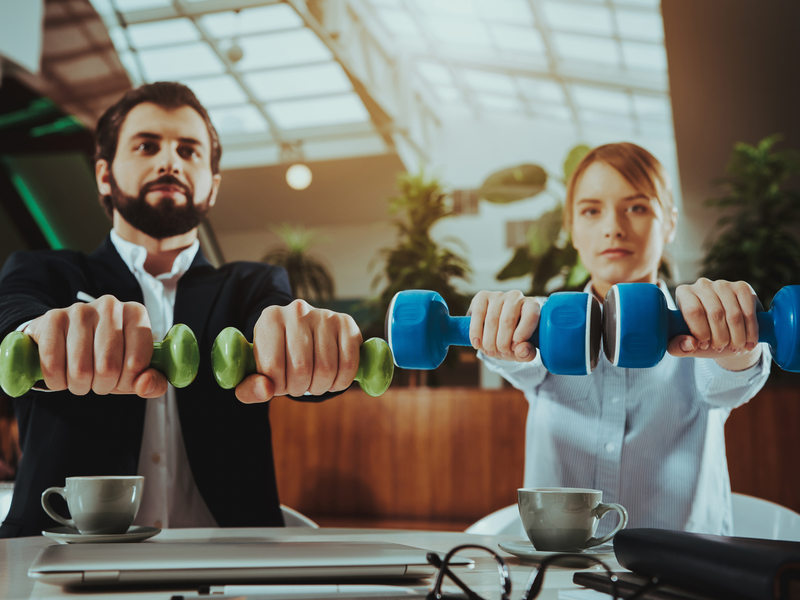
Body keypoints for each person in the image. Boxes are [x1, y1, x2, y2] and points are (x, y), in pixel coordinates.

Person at [0, 82, 362, 537]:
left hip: (230, 566)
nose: (170, 161)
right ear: (104, 175)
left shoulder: (253, 284)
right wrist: (39, 332)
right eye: (147, 146)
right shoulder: (44, 271)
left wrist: (308, 339)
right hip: (62, 557)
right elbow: (9, 316)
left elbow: (279, 326)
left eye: (189, 151)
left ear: (212, 187)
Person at [470, 143, 770, 535]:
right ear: (572, 230)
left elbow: (732, 380)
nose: (613, 226)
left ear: (670, 223)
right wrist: (497, 327)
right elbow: (516, 360)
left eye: (637, 207)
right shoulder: (540, 321)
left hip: (680, 574)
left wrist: (738, 344)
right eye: (591, 210)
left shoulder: (704, 328)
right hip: (563, 573)